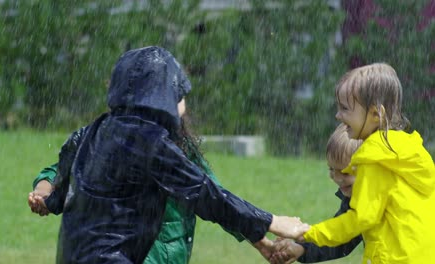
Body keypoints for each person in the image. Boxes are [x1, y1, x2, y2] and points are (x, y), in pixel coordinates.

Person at [28, 46, 308, 264]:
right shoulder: (151, 143)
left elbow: (60, 190)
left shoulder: (92, 131)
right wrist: (273, 222)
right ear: (163, 96)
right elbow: (206, 194)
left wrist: (48, 200)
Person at [29, 114, 248, 264]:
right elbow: (60, 172)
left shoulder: (183, 150)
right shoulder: (107, 140)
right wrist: (43, 192)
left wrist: (262, 240)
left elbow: (217, 199)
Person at [302, 63, 435, 263]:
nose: (338, 115)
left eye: (345, 109)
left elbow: (360, 219)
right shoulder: (404, 150)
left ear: (375, 114)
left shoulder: (375, 158)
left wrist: (309, 233)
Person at [271, 123, 363, 264]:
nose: (337, 178)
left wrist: (305, 235)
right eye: (331, 169)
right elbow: (341, 239)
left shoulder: (381, 200)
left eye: (345, 172)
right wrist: (301, 249)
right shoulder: (355, 199)